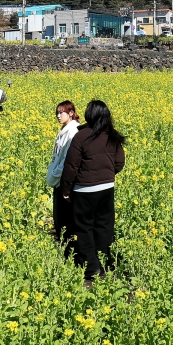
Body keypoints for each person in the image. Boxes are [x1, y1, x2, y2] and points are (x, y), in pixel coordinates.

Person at [60, 100, 126, 284]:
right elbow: (120, 162)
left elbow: (71, 167)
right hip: (106, 189)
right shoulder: (111, 136)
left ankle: (91, 267)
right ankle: (103, 261)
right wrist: (107, 175)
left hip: (84, 190)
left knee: (83, 227)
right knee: (104, 226)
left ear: (89, 116)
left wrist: (66, 190)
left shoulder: (81, 137)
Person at [45, 100, 81, 243]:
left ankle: (67, 248)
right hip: (59, 179)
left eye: (61, 112)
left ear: (71, 113)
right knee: (59, 216)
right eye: (57, 113)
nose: (58, 116)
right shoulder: (65, 130)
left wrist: (55, 174)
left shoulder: (73, 132)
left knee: (65, 217)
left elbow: (69, 160)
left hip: (64, 181)